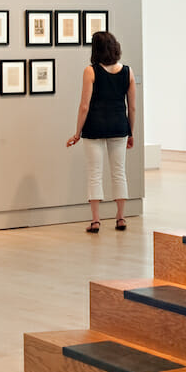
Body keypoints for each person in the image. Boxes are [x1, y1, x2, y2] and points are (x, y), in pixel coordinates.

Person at [66, 30, 135, 233]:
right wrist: (131, 132)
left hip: (94, 126)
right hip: (119, 127)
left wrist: (77, 132)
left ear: (95, 49)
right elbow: (132, 107)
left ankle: (96, 221)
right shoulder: (128, 72)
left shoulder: (91, 71)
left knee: (95, 173)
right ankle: (120, 217)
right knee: (119, 172)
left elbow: (84, 106)